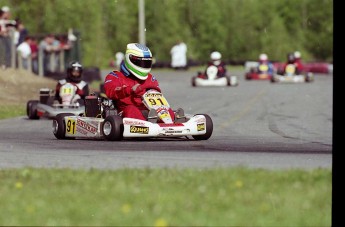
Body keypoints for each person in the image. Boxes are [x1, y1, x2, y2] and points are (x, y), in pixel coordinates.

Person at [104, 43, 175, 121]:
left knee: (167, 110)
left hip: (149, 111)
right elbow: (110, 92)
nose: (143, 66)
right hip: (124, 113)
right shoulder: (115, 76)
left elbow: (157, 94)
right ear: (130, 59)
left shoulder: (150, 78)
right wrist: (130, 90)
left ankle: (171, 123)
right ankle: (147, 125)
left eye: (146, 63)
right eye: (141, 63)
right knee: (131, 110)